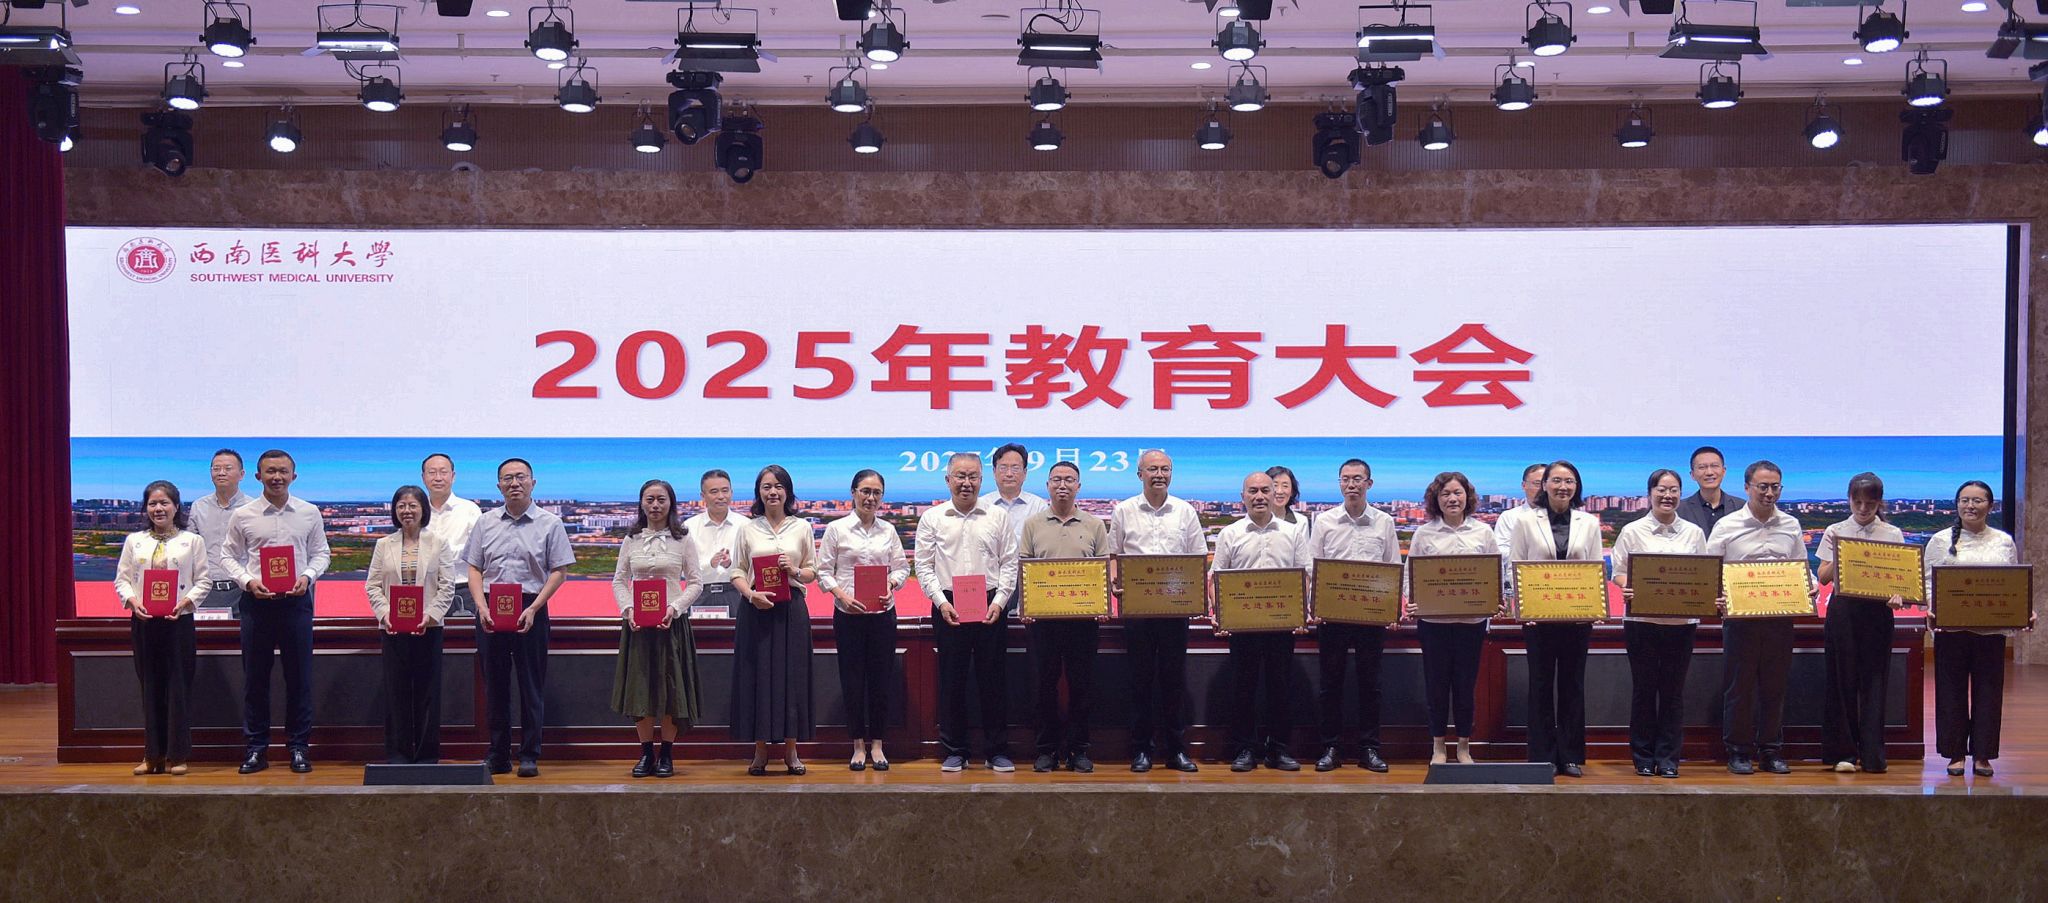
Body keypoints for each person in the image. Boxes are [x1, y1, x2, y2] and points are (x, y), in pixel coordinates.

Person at [221, 449, 331, 775]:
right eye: (270, 471)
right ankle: (256, 748)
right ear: (258, 476)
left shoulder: (309, 512)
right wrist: (247, 581)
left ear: (294, 476)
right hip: (257, 604)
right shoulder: (243, 515)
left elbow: (321, 554)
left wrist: (307, 576)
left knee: (299, 679)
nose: (277, 477)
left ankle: (298, 747)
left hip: (296, 602)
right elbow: (227, 556)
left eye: (283, 471)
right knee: (255, 680)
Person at [464, 457, 575, 778]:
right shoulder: (485, 522)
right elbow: (474, 567)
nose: (514, 483)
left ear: (533, 482)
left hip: (531, 608)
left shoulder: (550, 523)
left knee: (531, 685)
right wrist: (481, 607)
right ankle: (498, 754)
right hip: (490, 609)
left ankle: (529, 754)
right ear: (498, 485)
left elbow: (559, 571)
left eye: (521, 477)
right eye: (508, 478)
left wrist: (535, 607)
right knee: (495, 686)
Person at [1706, 459, 1813, 776]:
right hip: (1740, 621)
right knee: (1739, 687)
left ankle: (1771, 750)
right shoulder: (1727, 526)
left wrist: (1807, 587)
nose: (1769, 493)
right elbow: (1710, 571)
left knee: (1774, 686)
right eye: (1762, 486)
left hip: (1779, 618)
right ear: (1747, 487)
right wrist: (1717, 596)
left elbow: (1800, 566)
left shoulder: (1791, 524)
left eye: (1775, 487)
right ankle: (1738, 751)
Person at [915, 452, 1019, 773]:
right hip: (949, 605)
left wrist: (999, 601)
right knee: (952, 681)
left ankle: (996, 751)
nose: (966, 482)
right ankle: (955, 751)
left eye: (972, 476)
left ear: (981, 480)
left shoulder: (997, 516)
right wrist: (940, 601)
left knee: (994, 680)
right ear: (948, 480)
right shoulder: (932, 518)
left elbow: (1009, 562)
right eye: (960, 476)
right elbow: (924, 566)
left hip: (991, 604)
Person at [1502, 460, 1604, 778]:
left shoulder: (1589, 523)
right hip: (1538, 619)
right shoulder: (1525, 521)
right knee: (1541, 686)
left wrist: (1595, 606)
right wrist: (1521, 607)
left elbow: (1596, 568)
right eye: (1556, 480)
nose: (1563, 486)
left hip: (1577, 619)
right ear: (1544, 485)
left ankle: (1571, 755)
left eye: (1569, 481)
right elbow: (1515, 566)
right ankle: (1542, 755)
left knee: (1573, 686)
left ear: (1577, 486)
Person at [1923, 480, 2028, 778]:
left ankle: (1982, 755)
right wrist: (1933, 607)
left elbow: (2014, 586)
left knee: (1989, 693)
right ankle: (1955, 754)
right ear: (1957, 504)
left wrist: (2023, 611)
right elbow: (1929, 582)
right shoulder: (1940, 541)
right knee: (1950, 692)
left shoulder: (2004, 541)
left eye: (1978, 500)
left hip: (1990, 631)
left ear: (1990, 506)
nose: (1970, 506)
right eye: (1965, 500)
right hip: (1951, 631)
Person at [1109, 450, 1204, 774]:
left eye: (1165, 469)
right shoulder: (1124, 510)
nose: (1159, 474)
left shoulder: (1185, 511)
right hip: (1137, 611)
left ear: (1171, 474)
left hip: (1175, 611)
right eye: (1152, 469)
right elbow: (1114, 556)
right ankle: (1141, 750)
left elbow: (1198, 558)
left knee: (1174, 682)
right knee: (1140, 682)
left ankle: (1176, 751)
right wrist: (1116, 583)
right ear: (1140, 474)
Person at [1210, 471, 1311, 773]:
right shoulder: (1230, 533)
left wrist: (1301, 611)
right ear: (1242, 497)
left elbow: (1305, 575)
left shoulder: (1293, 532)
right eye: (1252, 491)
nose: (1259, 496)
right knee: (1243, 689)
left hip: (1282, 624)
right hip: (1242, 626)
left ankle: (1279, 749)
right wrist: (1221, 613)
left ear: (1274, 495)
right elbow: (1216, 579)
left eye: (1265, 490)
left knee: (1281, 689)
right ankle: (1244, 749)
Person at [1610, 468, 1706, 779]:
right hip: (1642, 622)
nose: (1668, 495)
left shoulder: (1693, 533)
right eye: (1661, 490)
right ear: (1650, 493)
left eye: (1673, 489)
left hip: (1682, 623)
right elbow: (1618, 572)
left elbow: (1703, 575)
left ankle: (1668, 758)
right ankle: (1642, 756)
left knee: (1673, 692)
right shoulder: (1632, 530)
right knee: (1644, 690)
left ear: (1680, 493)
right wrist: (1627, 586)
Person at [1408, 471, 1508, 765]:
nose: (1452, 499)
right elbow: (1410, 576)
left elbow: (1495, 574)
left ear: (1468, 497)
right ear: (1436, 499)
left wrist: (1495, 599)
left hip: (1471, 625)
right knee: (1436, 687)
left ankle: (1464, 746)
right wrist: (1413, 602)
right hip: (1433, 625)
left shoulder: (1483, 532)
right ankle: (1438, 746)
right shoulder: (1424, 533)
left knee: (1465, 687)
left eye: (1457, 493)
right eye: (1445, 494)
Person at [1018, 461, 1110, 773]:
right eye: (1056, 479)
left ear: (1078, 487)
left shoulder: (1094, 524)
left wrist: (1102, 604)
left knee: (1082, 687)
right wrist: (1026, 606)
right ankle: (1046, 750)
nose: (1062, 485)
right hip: (1043, 622)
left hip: (1083, 621)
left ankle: (1078, 750)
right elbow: (1024, 567)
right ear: (1047, 485)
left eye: (1069, 479)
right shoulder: (1033, 524)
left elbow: (1102, 568)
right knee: (1043, 686)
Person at [1308, 458, 1399, 773]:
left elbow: (1393, 567)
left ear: (1369, 484)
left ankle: (1369, 749)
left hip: (1371, 617)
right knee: (1330, 685)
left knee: (1370, 685)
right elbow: (1313, 568)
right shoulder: (1324, 521)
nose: (1351, 484)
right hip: (1332, 617)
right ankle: (1330, 748)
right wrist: (1315, 606)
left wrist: (1392, 608)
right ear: (1339, 484)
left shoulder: (1384, 522)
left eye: (1357, 479)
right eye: (1345, 479)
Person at [609, 479, 704, 779]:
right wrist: (628, 610)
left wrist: (675, 607)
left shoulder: (683, 538)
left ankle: (667, 754)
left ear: (670, 503)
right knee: (642, 690)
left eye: (661, 499)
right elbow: (619, 580)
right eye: (649, 499)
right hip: (638, 627)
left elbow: (696, 582)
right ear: (641, 503)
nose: (655, 505)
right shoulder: (631, 538)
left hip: (671, 625)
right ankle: (646, 753)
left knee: (671, 691)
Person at [114, 480, 209, 775]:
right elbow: (122, 580)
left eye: (164, 503)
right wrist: (132, 601)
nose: (158, 508)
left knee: (178, 688)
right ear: (146, 508)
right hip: (144, 623)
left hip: (178, 623)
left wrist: (186, 602)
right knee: (150, 688)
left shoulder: (192, 541)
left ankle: (177, 756)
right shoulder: (134, 541)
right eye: (153, 503)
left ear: (176, 507)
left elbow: (203, 580)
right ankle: (152, 755)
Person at [817, 469, 908, 772]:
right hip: (848, 615)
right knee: (852, 680)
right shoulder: (836, 529)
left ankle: (878, 744)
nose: (870, 498)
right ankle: (857, 744)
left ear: (882, 497)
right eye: (865, 491)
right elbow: (823, 571)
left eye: (876, 493)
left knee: (881, 680)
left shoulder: (888, 530)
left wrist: (891, 584)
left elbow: (901, 568)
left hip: (882, 615)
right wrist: (841, 595)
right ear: (853, 492)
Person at [731, 464, 819, 776]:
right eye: (767, 486)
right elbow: (737, 570)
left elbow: (812, 570)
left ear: (787, 492)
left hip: (791, 609)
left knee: (792, 677)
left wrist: (794, 571)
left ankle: (791, 751)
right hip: (756, 608)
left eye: (779, 486)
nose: (773, 492)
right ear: (759, 492)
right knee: (757, 676)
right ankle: (760, 751)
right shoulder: (747, 528)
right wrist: (749, 594)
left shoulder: (802, 527)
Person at [1816, 472, 1906, 774]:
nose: (1864, 509)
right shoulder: (1835, 530)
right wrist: (1845, 554)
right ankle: (1843, 753)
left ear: (1879, 502)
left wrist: (1899, 595)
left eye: (1870, 503)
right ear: (1849, 500)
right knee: (1841, 681)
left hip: (1878, 613)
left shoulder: (1892, 533)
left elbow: (1901, 580)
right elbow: (1823, 577)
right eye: (1858, 502)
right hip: (1843, 612)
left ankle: (1872, 754)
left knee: (1874, 682)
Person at [365, 484, 457, 765]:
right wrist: (385, 615)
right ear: (395, 511)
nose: (407, 511)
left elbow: (447, 586)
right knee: (397, 692)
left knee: (428, 692)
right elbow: (372, 586)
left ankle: (427, 755)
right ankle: (398, 754)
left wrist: (430, 615)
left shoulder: (438, 543)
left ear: (423, 510)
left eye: (412, 505)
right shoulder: (384, 545)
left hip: (429, 628)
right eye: (401, 506)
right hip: (393, 629)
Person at [187, 449, 250, 616]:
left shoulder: (253, 508)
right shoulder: (199, 507)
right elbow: (190, 549)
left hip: (243, 591)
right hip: (206, 591)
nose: (221, 473)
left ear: (242, 474)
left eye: (228, 468)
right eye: (216, 468)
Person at [420, 454, 484, 617]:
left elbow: (476, 553)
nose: (438, 478)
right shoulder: (416, 510)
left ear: (453, 476)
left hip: (462, 589)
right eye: (432, 472)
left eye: (443, 472)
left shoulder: (470, 510)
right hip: (424, 591)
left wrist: (435, 554)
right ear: (423, 478)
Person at [981, 442, 1048, 592]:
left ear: (1025, 473)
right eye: (1003, 468)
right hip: (989, 581)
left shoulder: (1039, 506)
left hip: (1028, 581)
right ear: (994, 472)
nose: (1009, 474)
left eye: (1015, 468)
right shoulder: (981, 505)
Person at [683, 469, 750, 619]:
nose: (721, 496)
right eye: (714, 492)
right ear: (703, 496)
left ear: (731, 492)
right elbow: (683, 570)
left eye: (725, 491)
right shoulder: (689, 527)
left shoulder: (746, 525)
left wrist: (730, 565)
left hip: (737, 593)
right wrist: (710, 565)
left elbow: (752, 568)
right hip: (698, 594)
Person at [1677, 446, 1745, 537]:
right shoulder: (1679, 509)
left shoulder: (1741, 507)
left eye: (1714, 466)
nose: (1709, 472)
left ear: (1724, 471)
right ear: (1692, 475)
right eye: (1702, 467)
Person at [1493, 463, 1547, 559]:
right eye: (1537, 484)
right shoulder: (1509, 517)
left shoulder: (1564, 516)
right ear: (1523, 485)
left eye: (1546, 484)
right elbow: (1501, 552)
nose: (1543, 489)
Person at [1265, 465, 1310, 538]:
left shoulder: (1301, 522)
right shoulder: (1256, 519)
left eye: (1285, 486)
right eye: (1275, 485)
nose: (1280, 491)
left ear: (1292, 491)